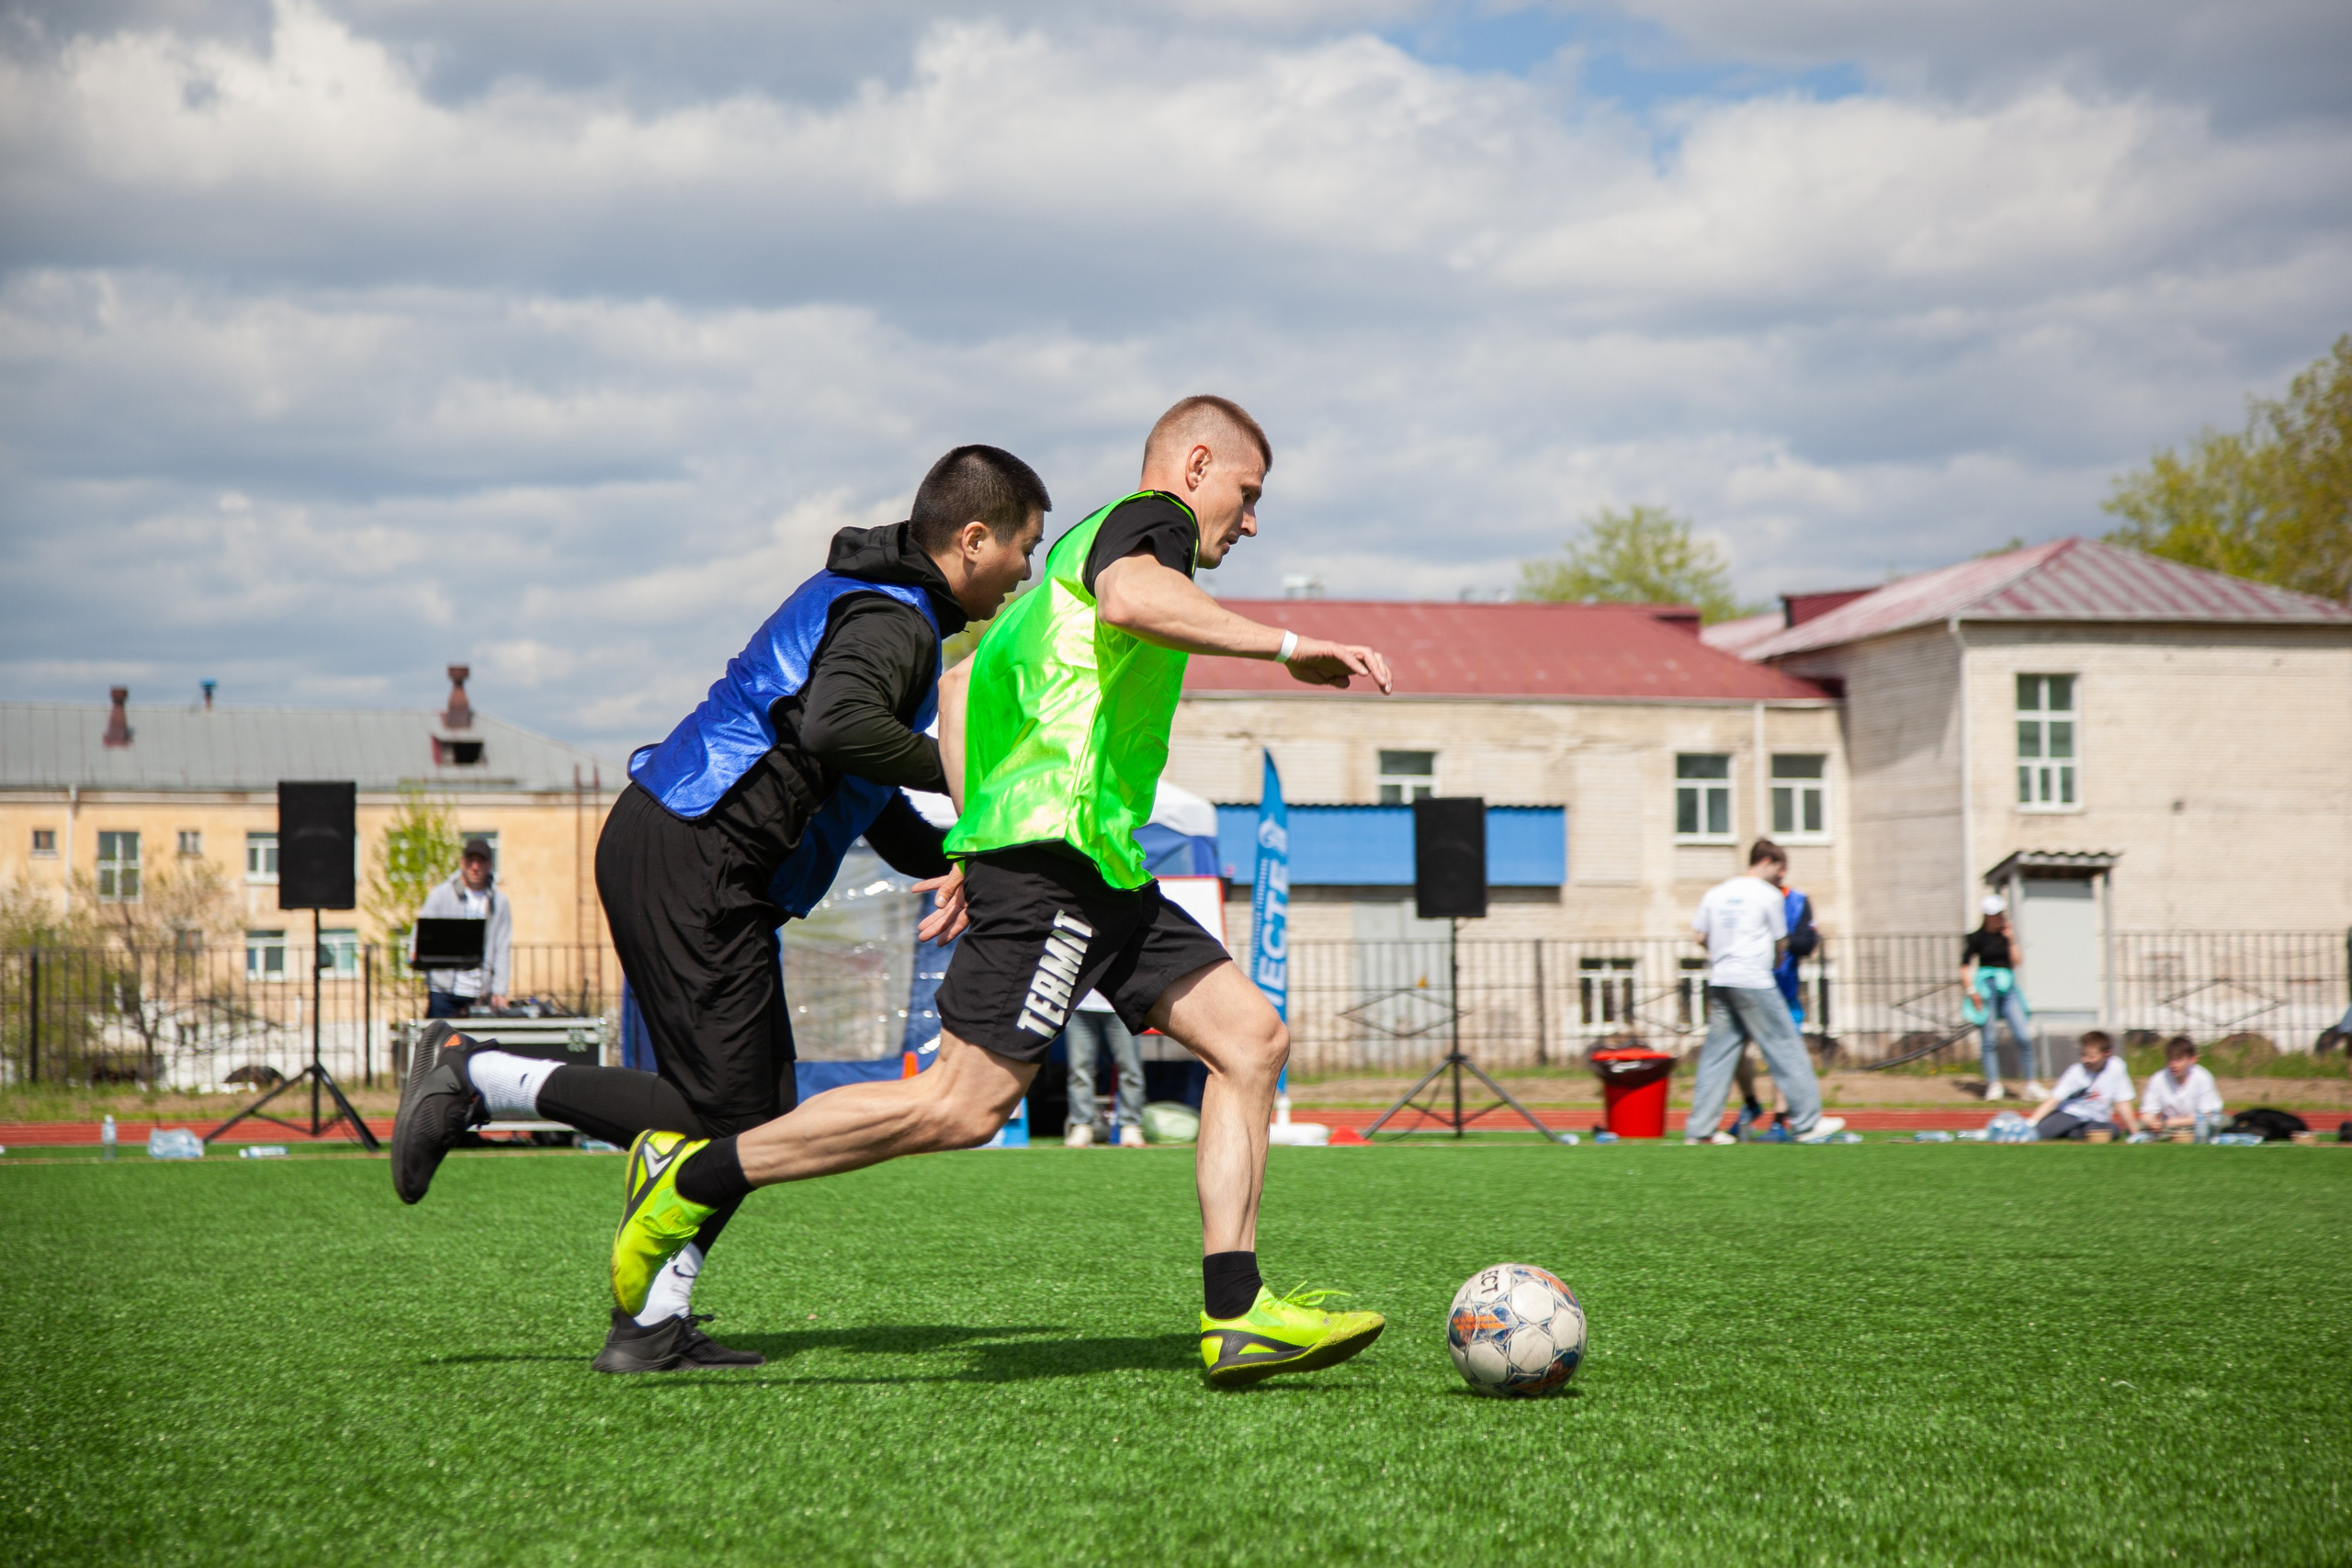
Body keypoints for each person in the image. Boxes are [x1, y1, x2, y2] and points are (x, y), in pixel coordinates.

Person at [605, 395, 1400, 1388]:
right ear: (1195, 467)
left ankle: (1236, 1315)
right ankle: (696, 1176)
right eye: (1247, 495)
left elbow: (957, 689)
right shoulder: (1147, 526)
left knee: (1251, 1039)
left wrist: (975, 835)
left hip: (1098, 863)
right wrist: (1289, 647)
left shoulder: (1051, 575)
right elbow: (1131, 604)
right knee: (961, 1107)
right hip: (1059, 862)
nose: (1251, 522)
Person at [392, 444, 1051, 1374]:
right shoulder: (894, 622)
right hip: (691, 850)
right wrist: (966, 771)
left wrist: (969, 851)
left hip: (694, 854)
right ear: (972, 539)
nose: (1026, 570)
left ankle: (649, 1325)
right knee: (735, 1116)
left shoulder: (892, 608)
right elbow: (837, 727)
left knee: (759, 1114)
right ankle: (475, 1074)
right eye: (1024, 547)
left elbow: (864, 786)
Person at [1681, 839, 1846, 1145]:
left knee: (1717, 1055)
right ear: (1768, 862)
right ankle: (1808, 1123)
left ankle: (1700, 1131)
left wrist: (1721, 951)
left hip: (1721, 980)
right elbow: (1781, 941)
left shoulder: (1716, 892)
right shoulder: (1768, 894)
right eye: (1780, 872)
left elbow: (1700, 935)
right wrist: (1775, 960)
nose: (1781, 879)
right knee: (1786, 1046)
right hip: (1754, 980)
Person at [1731, 862, 1821, 1140]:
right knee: (1736, 1053)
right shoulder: (1744, 896)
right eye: (1778, 869)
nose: (1781, 876)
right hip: (1747, 987)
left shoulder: (1797, 900)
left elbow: (1807, 943)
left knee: (1783, 1054)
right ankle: (1750, 1104)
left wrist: (1780, 940)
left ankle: (1780, 1120)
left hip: (1783, 991)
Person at [414, 839, 512, 1019]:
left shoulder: (499, 902)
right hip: (443, 991)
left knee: (477, 1046)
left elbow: (502, 948)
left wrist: (499, 990)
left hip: (480, 993)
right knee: (440, 1045)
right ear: (462, 863)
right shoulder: (440, 895)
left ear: (489, 865)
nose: (475, 867)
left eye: (480, 861)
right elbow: (421, 934)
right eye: (470, 861)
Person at [1962, 895, 2042, 1101]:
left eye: (2000, 913)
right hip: (1986, 989)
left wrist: (2011, 939)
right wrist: (1972, 992)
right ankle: (1993, 1084)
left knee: (2023, 1036)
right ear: (1987, 916)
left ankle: (2030, 1084)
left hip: (2007, 988)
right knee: (1988, 1039)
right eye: (1994, 914)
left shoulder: (2006, 936)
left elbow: (2017, 961)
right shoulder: (1976, 938)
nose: (1999, 917)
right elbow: (1964, 966)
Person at [1063, 990, 1147, 1147]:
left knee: (1130, 1069)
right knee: (1079, 1070)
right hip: (1080, 1004)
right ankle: (1082, 1126)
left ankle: (1130, 1126)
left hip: (1123, 1004)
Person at [2028, 1031, 2140, 1141]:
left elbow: (2122, 1102)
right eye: (2083, 1055)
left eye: (2091, 1057)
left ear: (2106, 1054)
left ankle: (2071, 1132)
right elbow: (2053, 1100)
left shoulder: (2117, 1067)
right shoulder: (2076, 1072)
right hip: (2070, 1114)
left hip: (2096, 1120)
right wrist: (2031, 1123)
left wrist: (2135, 1133)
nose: (2085, 1060)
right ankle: (2069, 1131)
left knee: (2113, 1131)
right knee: (2040, 1133)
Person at [2139, 1035, 2223, 1139]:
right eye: (2171, 1059)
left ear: (2192, 1059)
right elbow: (2146, 1113)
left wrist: (2174, 1122)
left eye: (2179, 1059)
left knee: (2220, 1122)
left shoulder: (2203, 1077)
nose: (2173, 1064)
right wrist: (2152, 1123)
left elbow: (2208, 1115)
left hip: (2198, 1125)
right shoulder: (2158, 1079)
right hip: (2169, 1125)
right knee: (2140, 1125)